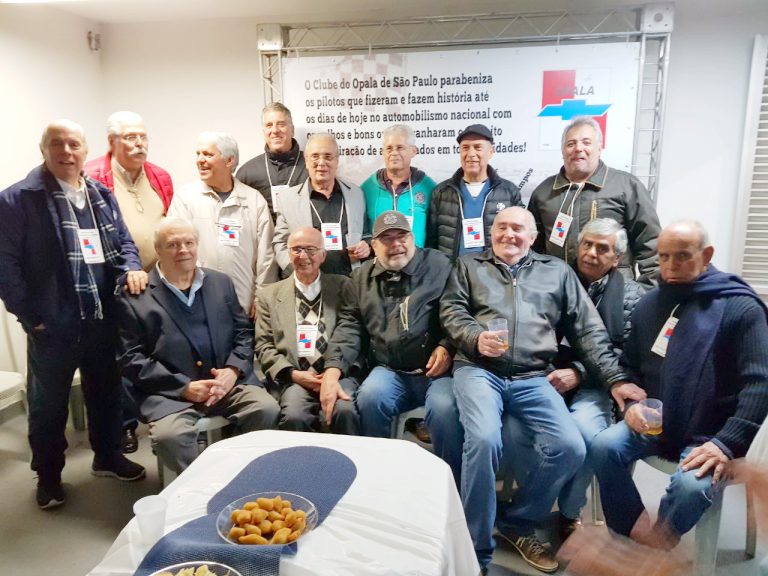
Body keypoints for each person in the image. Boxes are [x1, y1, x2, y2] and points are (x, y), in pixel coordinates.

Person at [440, 206, 641, 573]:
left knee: (570, 447)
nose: (509, 234)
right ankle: (475, 551)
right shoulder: (468, 265)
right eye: (502, 227)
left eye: (518, 229)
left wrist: (616, 379)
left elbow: (588, 331)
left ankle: (517, 521)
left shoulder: (557, 271)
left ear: (533, 237)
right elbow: (451, 311)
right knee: (484, 440)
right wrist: (474, 337)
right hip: (479, 370)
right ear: (491, 232)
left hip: (534, 376)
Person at [590, 220, 768, 550]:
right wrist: (632, 407)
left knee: (691, 487)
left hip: (714, 434)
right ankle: (635, 530)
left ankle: (657, 545)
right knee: (603, 446)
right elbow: (630, 368)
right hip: (659, 422)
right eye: (664, 256)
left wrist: (726, 443)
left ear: (707, 255)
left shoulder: (741, 307)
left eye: (683, 256)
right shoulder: (650, 305)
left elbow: (760, 385)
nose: (671, 266)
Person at [0, 119, 147, 509]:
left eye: (73, 144)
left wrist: (132, 267)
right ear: (43, 150)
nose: (66, 151)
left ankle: (108, 457)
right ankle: (48, 477)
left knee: (107, 393)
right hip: (53, 324)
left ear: (86, 151)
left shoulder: (100, 194)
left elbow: (124, 242)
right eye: (57, 144)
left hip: (103, 316)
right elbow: (5, 265)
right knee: (48, 406)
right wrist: (30, 316)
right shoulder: (18, 199)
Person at [504, 217, 646, 543]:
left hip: (595, 386)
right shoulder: (551, 280)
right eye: (587, 244)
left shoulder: (634, 296)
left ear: (617, 258)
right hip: (545, 376)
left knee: (584, 436)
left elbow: (625, 355)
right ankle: (538, 497)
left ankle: (568, 511)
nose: (591, 253)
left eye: (602, 248)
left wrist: (579, 373)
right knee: (512, 429)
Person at [116, 218, 280, 474]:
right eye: (173, 244)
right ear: (158, 249)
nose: (183, 250)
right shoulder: (135, 296)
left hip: (226, 384)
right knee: (170, 437)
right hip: (169, 393)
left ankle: (241, 474)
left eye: (189, 243)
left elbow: (243, 332)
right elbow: (130, 359)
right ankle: (204, 485)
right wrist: (184, 387)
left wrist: (233, 370)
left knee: (266, 409)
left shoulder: (220, 283)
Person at [320, 211, 463, 485]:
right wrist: (332, 369)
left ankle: (453, 484)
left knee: (445, 408)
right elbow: (349, 326)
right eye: (387, 239)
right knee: (370, 397)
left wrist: (447, 345)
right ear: (373, 245)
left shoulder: (440, 265)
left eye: (402, 236)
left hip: (437, 373)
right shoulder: (360, 279)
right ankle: (379, 479)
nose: (396, 244)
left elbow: (458, 311)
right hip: (389, 369)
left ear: (412, 238)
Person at [85, 110, 174, 454]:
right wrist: (125, 268)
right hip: (113, 283)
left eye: (143, 137)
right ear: (112, 142)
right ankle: (124, 425)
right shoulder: (93, 176)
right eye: (130, 137)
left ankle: (160, 414)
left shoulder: (159, 176)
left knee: (155, 350)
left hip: (155, 283)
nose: (139, 144)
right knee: (119, 356)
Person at [527, 116, 661, 283]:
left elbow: (650, 245)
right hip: (558, 289)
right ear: (562, 151)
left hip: (613, 291)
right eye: (571, 144)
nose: (578, 148)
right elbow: (532, 249)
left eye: (586, 142)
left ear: (599, 147)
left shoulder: (626, 186)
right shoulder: (544, 193)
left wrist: (645, 290)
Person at [255, 227, 359, 433]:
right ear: (288, 253)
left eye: (311, 250)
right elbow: (264, 346)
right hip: (295, 378)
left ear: (323, 255)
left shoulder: (343, 286)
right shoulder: (269, 295)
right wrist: (294, 375)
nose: (303, 256)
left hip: (338, 374)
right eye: (296, 249)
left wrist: (331, 373)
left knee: (345, 410)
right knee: (294, 415)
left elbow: (351, 333)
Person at [168, 131, 276, 319]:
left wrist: (262, 296)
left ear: (229, 160)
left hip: (243, 306)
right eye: (198, 154)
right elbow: (176, 250)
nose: (200, 160)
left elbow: (266, 256)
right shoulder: (185, 198)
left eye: (208, 154)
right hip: (197, 305)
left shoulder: (254, 200)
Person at [273, 133, 370, 277]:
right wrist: (295, 270)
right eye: (315, 156)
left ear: (337, 161)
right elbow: (280, 243)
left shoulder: (356, 194)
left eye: (328, 156)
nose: (321, 162)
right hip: (308, 281)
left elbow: (366, 234)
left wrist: (366, 246)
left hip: (350, 281)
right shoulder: (287, 199)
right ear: (306, 161)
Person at [427, 123, 523, 260]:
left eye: (478, 147)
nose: (471, 154)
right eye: (465, 148)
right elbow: (432, 240)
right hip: (452, 269)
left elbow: (520, 237)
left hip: (494, 270)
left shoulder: (509, 192)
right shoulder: (442, 192)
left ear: (491, 152)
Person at [361, 124, 436, 248]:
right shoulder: (367, 188)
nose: (394, 153)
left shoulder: (428, 187)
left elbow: (436, 233)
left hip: (417, 259)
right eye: (389, 148)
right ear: (383, 152)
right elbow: (361, 231)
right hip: (378, 259)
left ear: (413, 151)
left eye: (400, 147)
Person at [236, 102, 308, 221]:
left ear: (292, 130)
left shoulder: (311, 166)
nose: (275, 130)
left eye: (281, 124)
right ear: (264, 132)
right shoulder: (247, 172)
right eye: (269, 125)